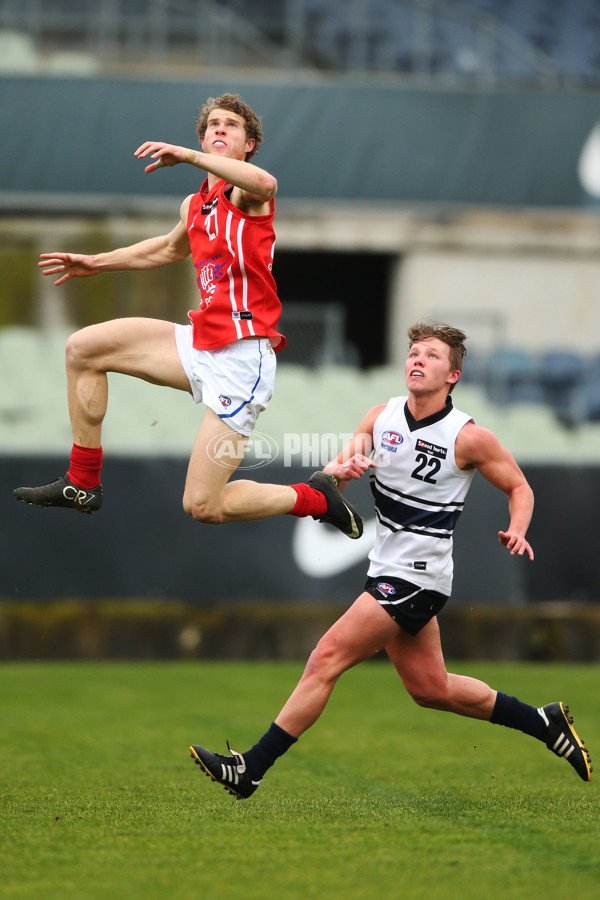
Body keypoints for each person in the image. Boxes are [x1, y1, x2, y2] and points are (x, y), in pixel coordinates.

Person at [189, 321, 593, 798]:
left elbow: (519, 487)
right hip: (387, 570)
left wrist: (519, 527)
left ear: (452, 376)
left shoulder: (467, 436)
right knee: (431, 689)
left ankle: (250, 769)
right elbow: (329, 486)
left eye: (432, 356)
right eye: (414, 353)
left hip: (419, 578)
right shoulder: (381, 418)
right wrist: (343, 470)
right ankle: (545, 723)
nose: (418, 360)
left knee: (325, 659)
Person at [13, 93, 362, 540]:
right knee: (84, 348)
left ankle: (314, 497)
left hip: (242, 359)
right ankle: (82, 483)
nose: (219, 129)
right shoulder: (195, 204)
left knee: (203, 505)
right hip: (201, 342)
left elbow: (267, 183)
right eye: (211, 124)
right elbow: (167, 248)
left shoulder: (248, 194)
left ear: (249, 143)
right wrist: (95, 263)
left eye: (231, 126)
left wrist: (192, 156)